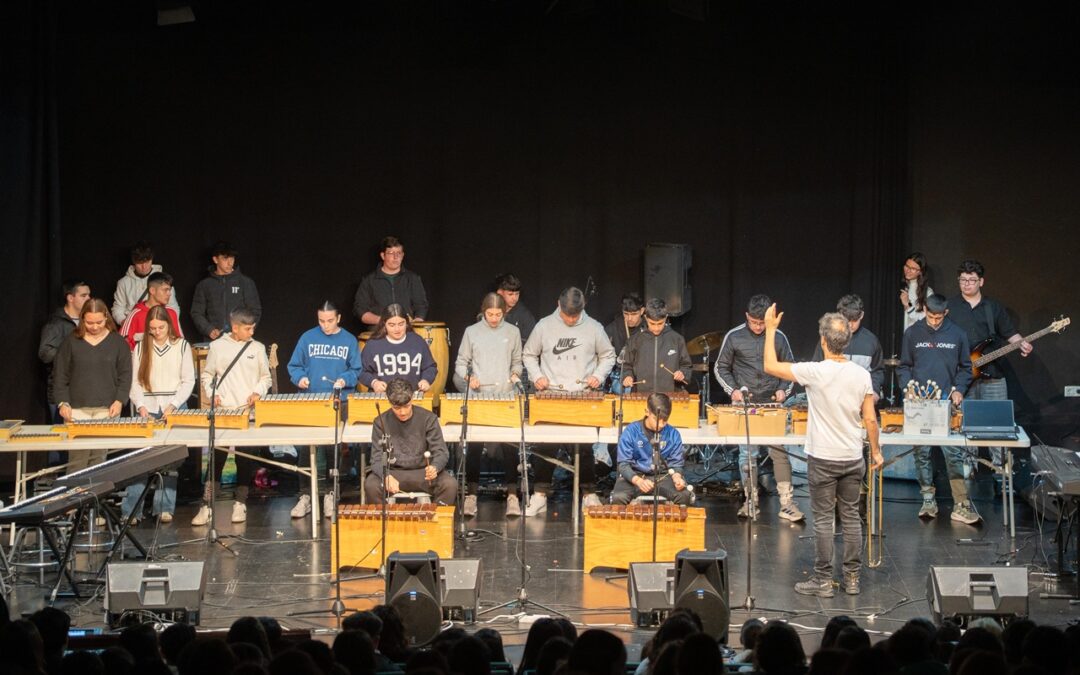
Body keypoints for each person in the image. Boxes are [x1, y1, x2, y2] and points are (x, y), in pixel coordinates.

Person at [763, 304, 882, 596]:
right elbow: (870, 418)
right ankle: (852, 578)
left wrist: (769, 330)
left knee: (825, 520)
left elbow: (770, 366)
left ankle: (823, 580)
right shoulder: (861, 375)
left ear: (823, 341)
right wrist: (876, 451)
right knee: (852, 517)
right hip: (853, 457)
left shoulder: (815, 371)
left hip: (824, 459)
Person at [521, 287, 617, 516]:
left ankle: (589, 494)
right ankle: (540, 495)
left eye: (576, 315)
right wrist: (537, 377)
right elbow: (528, 354)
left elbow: (609, 355)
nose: (572, 320)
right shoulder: (544, 326)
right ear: (559, 305)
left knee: (584, 448)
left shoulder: (594, 327)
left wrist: (599, 375)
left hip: (582, 395)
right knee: (546, 446)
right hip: (552, 393)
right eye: (568, 315)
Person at [713, 294, 800, 521]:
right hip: (746, 404)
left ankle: (787, 503)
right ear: (747, 317)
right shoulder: (734, 336)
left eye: (762, 323)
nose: (759, 327)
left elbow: (790, 368)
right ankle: (750, 500)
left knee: (779, 452)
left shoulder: (779, 337)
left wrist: (784, 390)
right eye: (754, 322)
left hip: (773, 404)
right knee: (747, 454)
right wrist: (733, 390)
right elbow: (720, 367)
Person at [946, 259, 1033, 478]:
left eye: (972, 280)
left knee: (998, 422)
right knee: (965, 422)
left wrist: (1022, 343)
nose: (967, 284)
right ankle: (969, 468)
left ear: (981, 281)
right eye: (963, 280)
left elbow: (1010, 333)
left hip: (993, 375)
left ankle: (1000, 470)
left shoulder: (993, 307)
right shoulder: (951, 307)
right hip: (964, 376)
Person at [898, 293, 978, 523]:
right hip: (919, 401)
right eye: (931, 317)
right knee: (921, 452)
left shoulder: (957, 334)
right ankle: (928, 499)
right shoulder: (912, 333)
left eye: (938, 317)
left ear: (946, 313)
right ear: (924, 311)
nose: (934, 321)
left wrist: (959, 389)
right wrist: (908, 388)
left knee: (952, 453)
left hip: (945, 399)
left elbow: (965, 368)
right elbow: (904, 366)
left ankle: (960, 503)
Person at [193, 307, 272, 526]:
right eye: (247, 328)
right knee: (217, 459)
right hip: (223, 412)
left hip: (246, 412)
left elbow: (266, 377)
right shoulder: (217, 347)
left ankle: (240, 503)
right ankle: (206, 505)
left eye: (253, 328)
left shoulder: (257, 348)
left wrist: (258, 391)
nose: (252, 332)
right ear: (235, 327)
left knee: (244, 459)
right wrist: (213, 393)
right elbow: (208, 375)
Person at [286, 301, 362, 519]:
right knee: (305, 451)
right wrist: (299, 378)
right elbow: (294, 366)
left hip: (337, 400)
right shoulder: (307, 338)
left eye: (330, 321)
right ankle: (305, 496)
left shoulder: (348, 340)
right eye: (321, 321)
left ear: (338, 318)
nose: (325, 325)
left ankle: (330, 493)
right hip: (310, 400)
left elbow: (356, 370)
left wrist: (344, 379)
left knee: (332, 450)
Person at [122, 305, 196, 523]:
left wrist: (174, 404)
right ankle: (131, 510)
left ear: (168, 325)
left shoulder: (181, 346)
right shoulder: (141, 347)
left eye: (161, 327)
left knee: (171, 460)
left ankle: (164, 507)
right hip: (148, 407)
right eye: (152, 328)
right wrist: (141, 405)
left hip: (174, 407)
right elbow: (134, 381)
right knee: (140, 460)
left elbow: (188, 380)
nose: (156, 332)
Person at [453, 293, 524, 518]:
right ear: (483, 311)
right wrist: (468, 378)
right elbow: (461, 363)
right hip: (479, 395)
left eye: (498, 314)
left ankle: (512, 494)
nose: (494, 319)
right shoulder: (472, 332)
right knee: (474, 444)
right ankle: (472, 494)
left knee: (510, 446)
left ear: (505, 312)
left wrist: (515, 374)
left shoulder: (513, 332)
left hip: (505, 396)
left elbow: (517, 361)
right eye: (490, 314)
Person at [52, 298, 132, 473]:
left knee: (99, 460)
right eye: (89, 322)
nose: (94, 327)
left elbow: (125, 376)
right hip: (77, 411)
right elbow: (60, 375)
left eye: (99, 322)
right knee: (77, 461)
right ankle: (74, 498)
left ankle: (94, 499)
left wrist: (119, 400)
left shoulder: (117, 343)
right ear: (82, 319)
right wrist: (63, 402)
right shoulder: (71, 342)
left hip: (106, 409)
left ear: (106, 318)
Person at [364, 378, 456, 505]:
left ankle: (436, 523)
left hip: (423, 474)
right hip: (393, 473)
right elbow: (376, 458)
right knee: (371, 485)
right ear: (389, 402)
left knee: (449, 485)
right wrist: (386, 476)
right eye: (397, 408)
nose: (403, 412)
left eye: (406, 406)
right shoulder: (380, 422)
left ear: (412, 398)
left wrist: (435, 467)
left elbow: (441, 451)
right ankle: (384, 524)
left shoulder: (428, 418)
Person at [610, 393, 692, 505]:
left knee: (684, 496)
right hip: (636, 475)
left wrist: (677, 477)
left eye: (665, 420)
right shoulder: (630, 431)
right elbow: (623, 465)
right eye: (657, 419)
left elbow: (676, 465)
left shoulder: (673, 434)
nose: (662, 424)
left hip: (663, 476)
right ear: (647, 412)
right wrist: (638, 481)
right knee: (618, 497)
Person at [812, 295, 885, 400]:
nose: (850, 325)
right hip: (832, 399)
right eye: (847, 320)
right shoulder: (829, 337)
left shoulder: (871, 341)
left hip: (861, 399)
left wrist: (875, 390)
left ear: (861, 315)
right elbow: (816, 366)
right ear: (839, 315)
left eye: (854, 320)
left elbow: (878, 371)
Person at [39, 279, 91, 422]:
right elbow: (44, 353)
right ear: (70, 298)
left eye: (89, 295)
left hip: (83, 390)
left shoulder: (88, 321)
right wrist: (70, 356)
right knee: (63, 436)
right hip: (62, 392)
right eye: (83, 295)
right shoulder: (56, 323)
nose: (88, 298)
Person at [190, 241, 262, 342]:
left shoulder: (245, 282)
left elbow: (255, 311)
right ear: (215, 259)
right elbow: (196, 312)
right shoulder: (204, 285)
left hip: (239, 340)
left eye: (232, 258)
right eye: (225, 258)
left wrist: (245, 331)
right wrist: (208, 329)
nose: (230, 263)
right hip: (214, 341)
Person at [358, 304, 437, 393]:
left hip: (411, 398)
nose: (397, 329)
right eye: (392, 325)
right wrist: (374, 383)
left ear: (407, 323)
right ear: (384, 324)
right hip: (382, 398)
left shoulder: (418, 341)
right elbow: (360, 370)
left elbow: (430, 367)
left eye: (401, 324)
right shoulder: (373, 345)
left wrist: (426, 380)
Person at [354, 236, 429, 329]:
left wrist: (417, 322)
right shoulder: (369, 281)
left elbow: (421, 306)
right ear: (383, 255)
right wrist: (383, 320)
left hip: (407, 333)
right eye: (391, 253)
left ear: (403, 255)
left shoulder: (413, 279)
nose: (396, 257)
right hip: (379, 333)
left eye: (399, 253)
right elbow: (360, 310)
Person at [620, 298, 692, 393]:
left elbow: (686, 366)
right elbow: (626, 366)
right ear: (646, 318)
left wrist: (682, 373)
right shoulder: (634, 340)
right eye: (652, 324)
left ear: (666, 318)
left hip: (670, 395)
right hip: (642, 393)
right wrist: (627, 376)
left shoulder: (677, 339)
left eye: (660, 323)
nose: (656, 328)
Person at [112, 241, 182, 324]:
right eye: (140, 263)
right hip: (134, 327)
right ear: (133, 262)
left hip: (159, 327)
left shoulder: (163, 280)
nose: (144, 267)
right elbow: (118, 308)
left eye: (147, 262)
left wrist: (166, 325)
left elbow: (173, 307)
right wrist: (125, 323)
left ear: (152, 259)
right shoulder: (123, 283)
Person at [119, 271, 184, 349]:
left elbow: (180, 343)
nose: (169, 293)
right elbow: (121, 347)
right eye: (165, 290)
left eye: (169, 290)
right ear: (152, 290)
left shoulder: (171, 313)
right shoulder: (135, 315)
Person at [605, 293, 646, 389]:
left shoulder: (649, 327)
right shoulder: (613, 328)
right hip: (621, 374)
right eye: (626, 314)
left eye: (634, 314)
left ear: (642, 311)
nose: (629, 318)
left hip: (644, 374)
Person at [495, 273, 537, 343]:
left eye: (517, 294)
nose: (514, 298)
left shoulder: (525, 316)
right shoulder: (492, 311)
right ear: (500, 293)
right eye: (510, 294)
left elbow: (530, 344)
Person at [900, 252, 933, 332]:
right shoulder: (900, 285)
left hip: (916, 337)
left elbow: (927, 318)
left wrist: (908, 305)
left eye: (913, 269)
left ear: (920, 272)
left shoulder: (927, 292)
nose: (908, 270)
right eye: (907, 266)